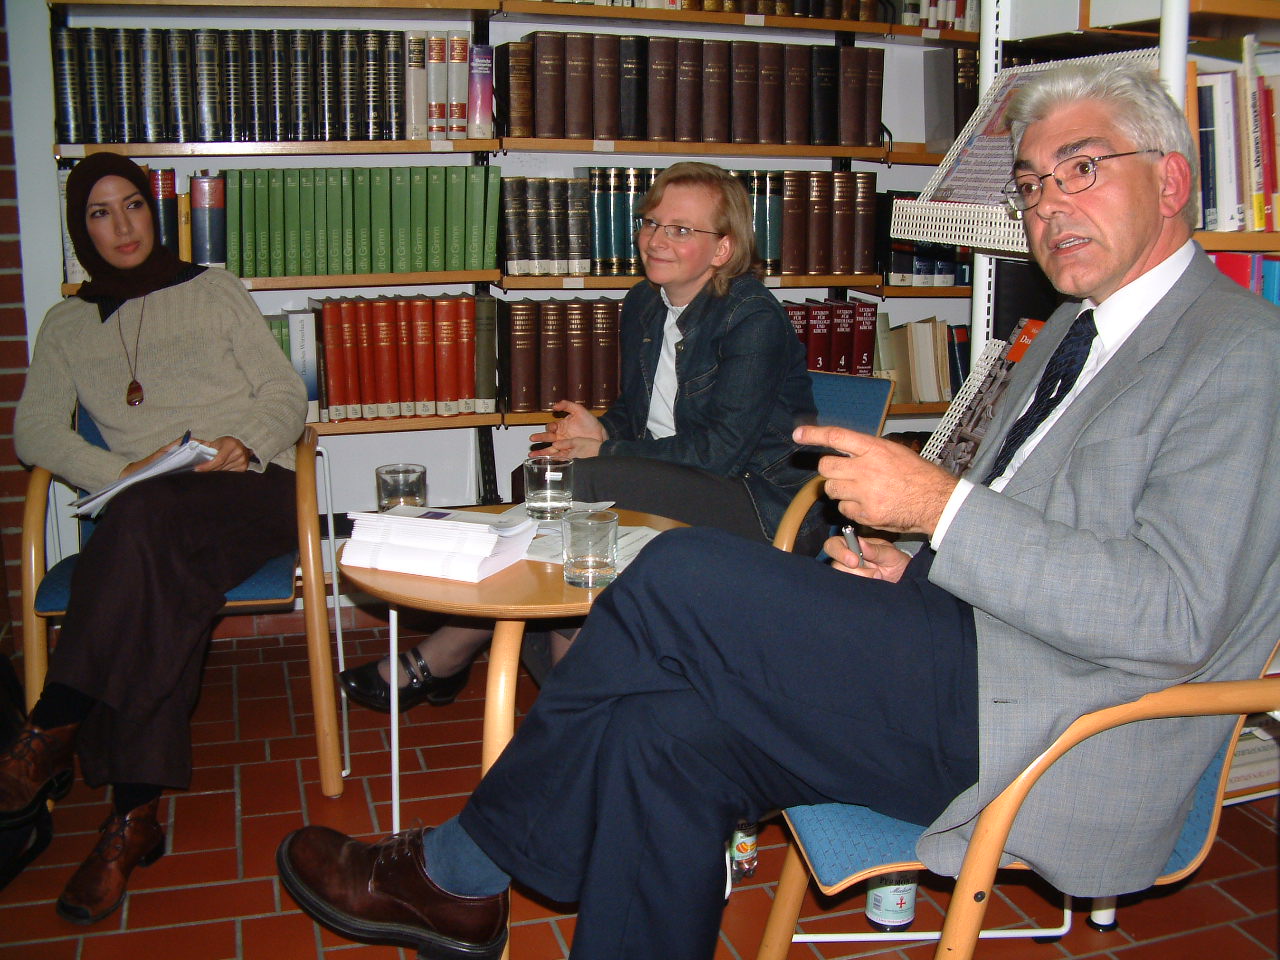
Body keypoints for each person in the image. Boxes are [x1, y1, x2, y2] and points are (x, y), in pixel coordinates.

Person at [277, 61, 1280, 960]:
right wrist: (918, 562)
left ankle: (459, 870)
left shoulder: (1238, 351)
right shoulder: (1070, 329)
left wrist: (942, 510)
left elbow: (1174, 615)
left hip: (1056, 718)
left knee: (675, 572)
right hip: (960, 650)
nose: (1048, 203)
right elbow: (1040, 523)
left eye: (1080, 169)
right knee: (656, 734)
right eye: (1030, 184)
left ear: (1171, 181)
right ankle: (465, 879)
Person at [339, 161, 821, 713]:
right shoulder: (645, 302)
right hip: (684, 478)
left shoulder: (752, 319)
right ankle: (557, 687)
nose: (656, 240)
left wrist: (605, 450)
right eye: (651, 222)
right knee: (541, 475)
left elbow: (722, 452)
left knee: (581, 482)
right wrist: (601, 429)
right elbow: (639, 412)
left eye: (681, 229)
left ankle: (473, 661)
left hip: (759, 501)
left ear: (723, 249)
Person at [2, 152, 306, 925]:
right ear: (81, 230)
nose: (122, 225)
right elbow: (34, 431)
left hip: (246, 489)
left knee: (136, 533)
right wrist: (119, 469)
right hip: (149, 513)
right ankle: (132, 819)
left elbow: (284, 391)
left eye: (133, 204)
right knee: (155, 568)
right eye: (100, 213)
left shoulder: (214, 290)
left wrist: (245, 440)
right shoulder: (67, 324)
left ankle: (55, 717)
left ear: (154, 209)